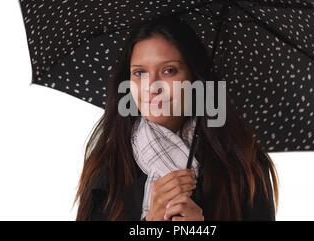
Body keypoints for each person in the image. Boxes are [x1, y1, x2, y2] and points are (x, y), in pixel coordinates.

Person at [74, 15, 279, 221]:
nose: (152, 86)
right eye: (139, 73)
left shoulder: (243, 165)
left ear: (194, 77)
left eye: (169, 70)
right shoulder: (108, 168)